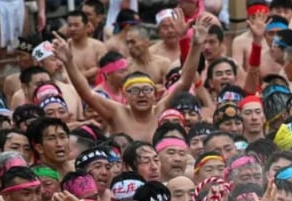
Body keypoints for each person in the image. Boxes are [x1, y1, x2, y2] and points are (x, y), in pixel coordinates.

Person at [53, 13, 210, 142]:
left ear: (155, 95)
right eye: (134, 90)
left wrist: (195, 45)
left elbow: (184, 82)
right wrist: (69, 62)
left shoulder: (161, 109)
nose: (141, 94)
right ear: (125, 96)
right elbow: (87, 93)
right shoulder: (116, 113)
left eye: (146, 90)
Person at [66, 10, 108, 85]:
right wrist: (90, 73)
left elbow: (106, 72)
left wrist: (79, 75)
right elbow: (65, 76)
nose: (72, 29)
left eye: (76, 25)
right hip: (74, 90)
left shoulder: (99, 46)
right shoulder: (65, 48)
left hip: (98, 89)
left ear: (86, 26)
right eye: (70, 25)